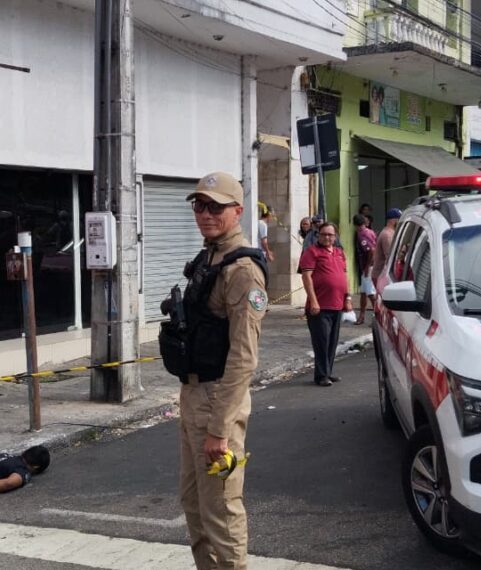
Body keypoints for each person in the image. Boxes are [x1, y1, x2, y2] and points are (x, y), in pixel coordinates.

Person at [174, 172, 267, 570]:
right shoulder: (210, 256)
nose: (205, 214)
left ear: (238, 211)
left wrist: (220, 428)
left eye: (215, 206)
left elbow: (244, 357)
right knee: (194, 504)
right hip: (194, 394)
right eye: (199, 205)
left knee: (221, 510)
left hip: (218, 400)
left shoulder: (242, 269)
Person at [299, 223, 351, 387]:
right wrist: (313, 300)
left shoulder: (339, 253)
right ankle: (321, 375)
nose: (327, 237)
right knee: (321, 341)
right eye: (324, 234)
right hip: (319, 307)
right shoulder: (311, 252)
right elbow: (306, 277)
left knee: (332, 341)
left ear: (335, 237)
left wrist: (347, 298)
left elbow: (344, 276)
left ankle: (328, 372)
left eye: (330, 235)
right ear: (318, 235)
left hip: (337, 304)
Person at [354, 215, 378, 324]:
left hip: (368, 266)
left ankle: (378, 317)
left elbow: (371, 250)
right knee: (363, 292)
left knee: (370, 293)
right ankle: (361, 316)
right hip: (366, 266)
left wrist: (368, 267)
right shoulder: (370, 231)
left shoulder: (362, 234)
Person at [370, 209, 401, 288]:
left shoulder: (390, 233)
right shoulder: (387, 235)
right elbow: (390, 257)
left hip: (382, 275)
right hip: (381, 276)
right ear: (393, 220)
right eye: (399, 219)